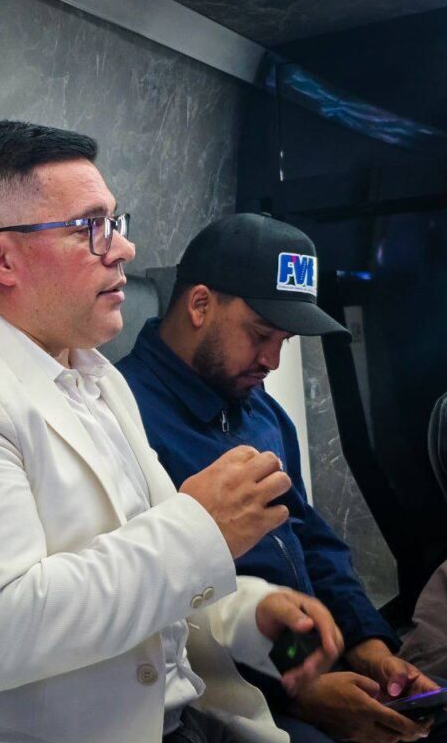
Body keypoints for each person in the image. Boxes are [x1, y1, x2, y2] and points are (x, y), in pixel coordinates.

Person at [0, 120, 345, 743]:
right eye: (90, 228)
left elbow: (156, 579)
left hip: (183, 718)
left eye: (115, 222)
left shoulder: (97, 378)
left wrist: (250, 615)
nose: (123, 249)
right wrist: (202, 525)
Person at [117, 213, 439, 743]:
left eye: (283, 340)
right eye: (260, 334)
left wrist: (368, 646)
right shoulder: (126, 419)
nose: (271, 360)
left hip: (303, 657)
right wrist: (300, 690)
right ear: (200, 305)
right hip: (226, 694)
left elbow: (309, 540)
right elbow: (165, 607)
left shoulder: (260, 411)